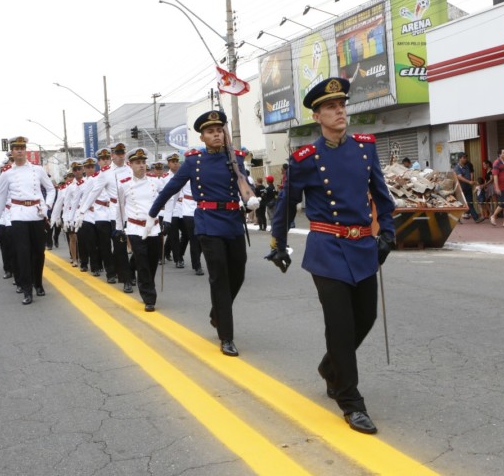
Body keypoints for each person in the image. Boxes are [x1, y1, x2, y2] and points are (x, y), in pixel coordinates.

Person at [267, 77, 395, 435]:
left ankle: (329, 367)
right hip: (326, 250)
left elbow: (382, 196)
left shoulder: (365, 149)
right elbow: (286, 204)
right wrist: (278, 244)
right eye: (331, 107)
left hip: (363, 247)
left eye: (342, 105)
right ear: (317, 116)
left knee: (366, 317)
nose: (340, 112)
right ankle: (350, 401)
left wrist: (387, 232)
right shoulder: (305, 159)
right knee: (340, 325)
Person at [148, 110, 259, 357]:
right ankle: (226, 336)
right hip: (208, 222)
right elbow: (171, 188)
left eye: (219, 130)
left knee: (238, 274)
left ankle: (217, 311)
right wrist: (153, 213)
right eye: (210, 132)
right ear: (202, 137)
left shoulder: (235, 158)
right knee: (219, 277)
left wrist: (251, 196)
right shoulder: (193, 161)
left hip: (233, 221)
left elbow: (244, 182)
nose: (216, 134)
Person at [0, 136, 55, 304]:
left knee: (38, 252)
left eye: (22, 148)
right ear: (12, 152)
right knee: (23, 253)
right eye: (16, 148)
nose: (19, 151)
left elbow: (51, 189)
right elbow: (0, 198)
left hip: (36, 213)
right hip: (18, 215)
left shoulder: (37, 170)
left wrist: (47, 206)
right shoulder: (7, 174)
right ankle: (27, 289)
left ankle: (38, 283)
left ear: (25, 150)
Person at [116, 147, 166, 312]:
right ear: (130, 164)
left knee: (152, 260)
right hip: (135, 228)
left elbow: (168, 198)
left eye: (143, 162)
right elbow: (120, 207)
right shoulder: (124, 184)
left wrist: (166, 218)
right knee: (142, 261)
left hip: (154, 227)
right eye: (137, 162)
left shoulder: (155, 181)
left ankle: (146, 283)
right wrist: (120, 227)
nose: (142, 165)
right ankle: (149, 296)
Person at [75, 149, 117, 283]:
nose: (105, 161)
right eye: (102, 159)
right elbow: (85, 198)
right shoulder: (93, 179)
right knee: (101, 244)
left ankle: (118, 269)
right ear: (99, 162)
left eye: (107, 158)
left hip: (114, 211)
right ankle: (107, 271)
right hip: (99, 214)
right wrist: (80, 213)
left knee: (118, 244)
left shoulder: (116, 173)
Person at [454, 153, 485, 223]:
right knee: (459, 204)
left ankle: (476, 218)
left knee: (470, 203)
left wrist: (472, 182)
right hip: (461, 189)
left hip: (468, 188)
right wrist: (469, 182)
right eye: (464, 158)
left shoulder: (467, 167)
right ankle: (456, 218)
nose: (465, 159)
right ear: (460, 158)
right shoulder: (457, 168)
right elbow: (460, 177)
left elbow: (469, 176)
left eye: (466, 158)